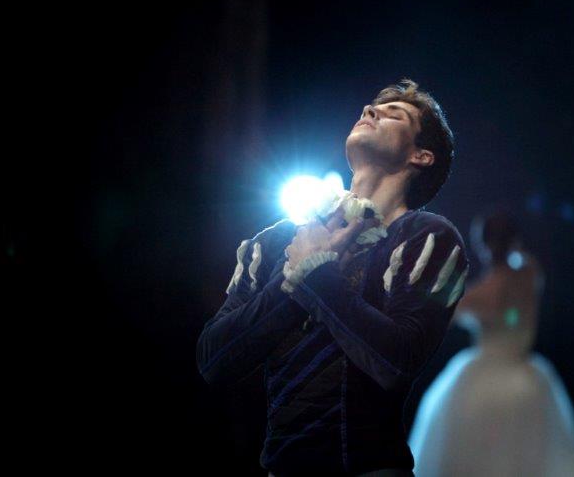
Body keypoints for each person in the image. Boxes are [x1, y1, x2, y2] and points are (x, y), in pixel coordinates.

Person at [196, 79, 470, 476]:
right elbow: (214, 361)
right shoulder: (276, 241)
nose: (370, 111)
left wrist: (318, 274)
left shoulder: (426, 237)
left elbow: (395, 363)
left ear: (421, 156)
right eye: (371, 108)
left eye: (395, 114)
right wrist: (292, 281)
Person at [408, 212, 574, 476]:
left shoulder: (482, 292)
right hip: (528, 380)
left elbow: (442, 316)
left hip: (483, 384)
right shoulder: (530, 272)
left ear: (482, 244)